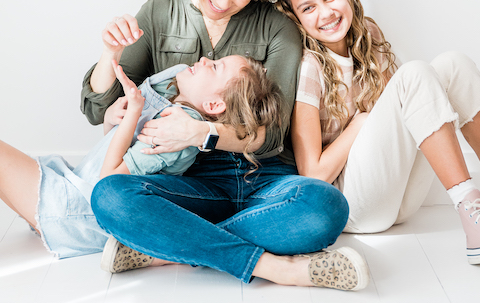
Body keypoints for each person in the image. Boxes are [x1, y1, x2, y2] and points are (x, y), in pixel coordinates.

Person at [87, 0, 366, 291]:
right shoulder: (158, 14)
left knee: (325, 206)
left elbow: (272, 134)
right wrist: (110, 54)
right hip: (190, 184)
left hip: (267, 179)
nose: (222, 2)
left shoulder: (276, 27)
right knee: (110, 197)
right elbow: (98, 110)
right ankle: (277, 268)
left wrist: (202, 132)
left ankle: (169, 247)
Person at [279, 0, 480, 265]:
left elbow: (408, 113)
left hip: (400, 199)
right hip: (353, 207)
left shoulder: (367, 36)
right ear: (296, 18)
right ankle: (473, 215)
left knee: (453, 64)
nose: (326, 12)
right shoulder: (310, 66)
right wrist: (359, 125)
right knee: (413, 73)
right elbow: (313, 175)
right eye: (308, 7)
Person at [0, 52, 279, 260]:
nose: (205, 59)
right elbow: (112, 152)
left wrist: (134, 112)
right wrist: (112, 120)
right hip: (73, 188)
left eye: (215, 66)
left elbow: (109, 179)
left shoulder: (173, 135)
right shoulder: (173, 105)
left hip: (75, 211)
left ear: (214, 104)